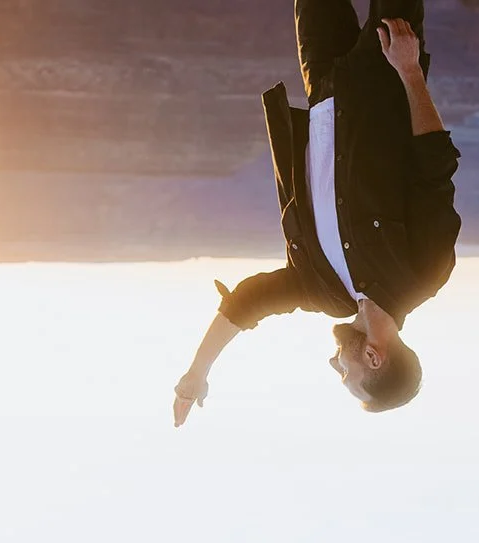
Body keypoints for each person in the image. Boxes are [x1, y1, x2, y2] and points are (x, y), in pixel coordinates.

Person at [173, 0, 459, 424]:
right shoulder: (424, 272)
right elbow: (434, 164)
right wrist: (410, 70)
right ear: (374, 358)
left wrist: (195, 374)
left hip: (324, 83)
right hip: (384, 74)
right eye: (346, 372)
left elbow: (247, 303)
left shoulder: (322, 292)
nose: (334, 364)